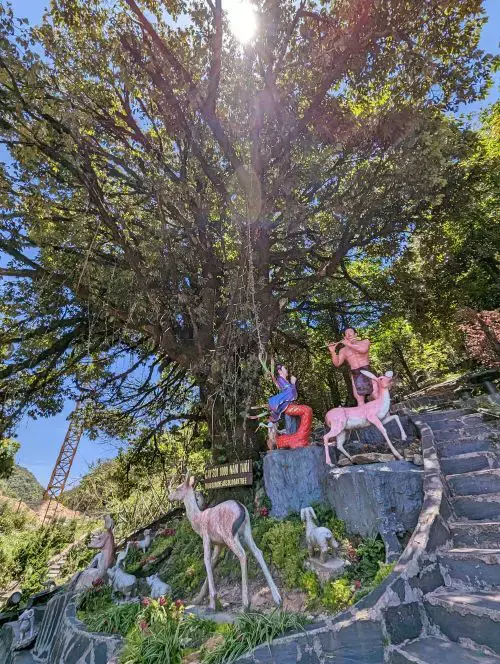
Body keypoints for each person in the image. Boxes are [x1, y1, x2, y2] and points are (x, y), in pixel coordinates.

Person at [328, 328, 372, 406]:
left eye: (350, 332)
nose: (348, 334)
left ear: (356, 334)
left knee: (375, 395)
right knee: (360, 400)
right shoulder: (343, 350)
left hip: (367, 370)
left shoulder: (365, 342)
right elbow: (337, 363)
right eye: (346, 333)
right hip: (355, 374)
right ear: (345, 337)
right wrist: (332, 352)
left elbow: (363, 350)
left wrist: (349, 344)